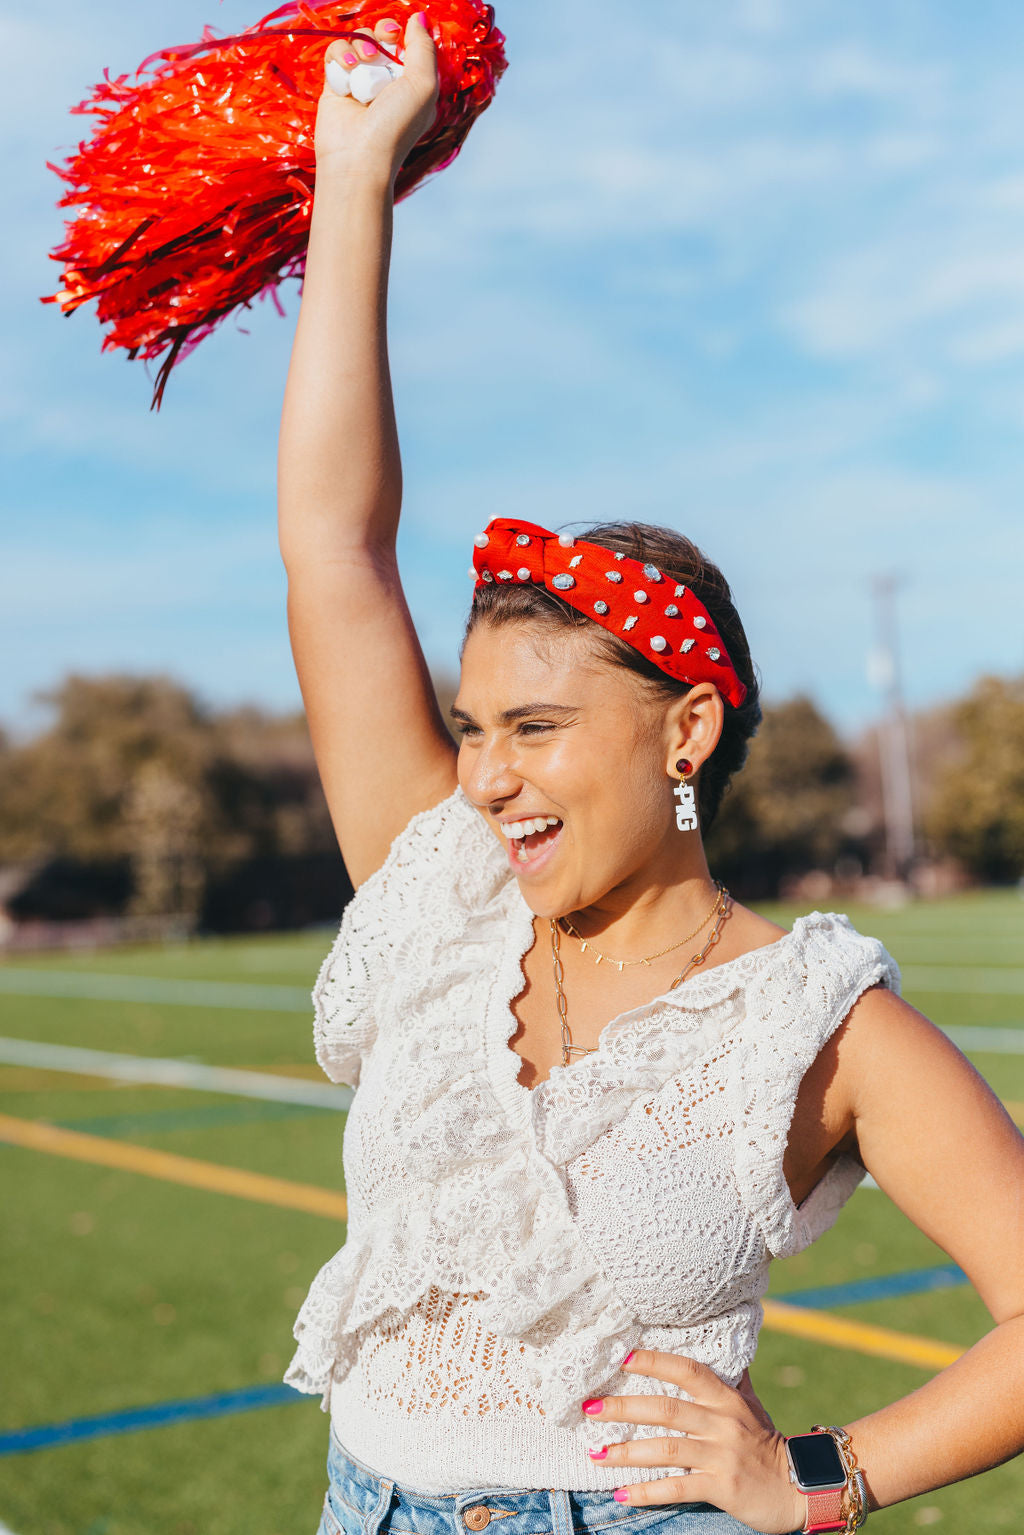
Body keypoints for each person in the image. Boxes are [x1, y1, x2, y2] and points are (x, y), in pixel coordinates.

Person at [276, 15, 1024, 1535]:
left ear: (683, 733)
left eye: (538, 728)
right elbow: (333, 548)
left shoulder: (816, 1019)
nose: (487, 776)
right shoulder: (443, 901)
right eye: (476, 727)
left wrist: (828, 1477)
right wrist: (352, 179)